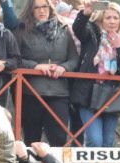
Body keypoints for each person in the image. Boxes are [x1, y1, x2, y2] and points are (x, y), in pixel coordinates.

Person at [71, 1, 120, 149]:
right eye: (108, 18)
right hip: (88, 93)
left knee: (108, 143)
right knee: (95, 141)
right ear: (101, 19)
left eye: (115, 18)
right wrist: (85, 13)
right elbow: (78, 28)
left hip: (112, 94)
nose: (112, 21)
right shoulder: (92, 33)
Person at [14, 0, 77, 144]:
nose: (41, 11)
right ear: (30, 10)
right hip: (31, 91)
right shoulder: (22, 29)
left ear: (50, 8)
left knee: (59, 139)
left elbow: (74, 59)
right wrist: (35, 66)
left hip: (59, 93)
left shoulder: (63, 29)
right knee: (31, 139)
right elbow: (15, 59)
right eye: (37, 8)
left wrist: (64, 67)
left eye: (44, 7)